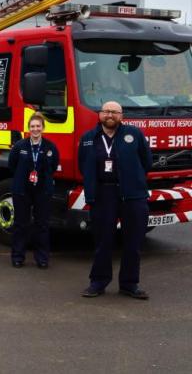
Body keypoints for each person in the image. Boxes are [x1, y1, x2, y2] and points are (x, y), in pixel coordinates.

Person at [79, 101, 152, 300]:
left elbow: (147, 161)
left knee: (133, 241)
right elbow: (82, 164)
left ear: (121, 115)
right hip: (103, 194)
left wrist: (132, 179)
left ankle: (129, 284)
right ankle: (98, 282)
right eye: (106, 111)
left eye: (114, 112)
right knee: (103, 241)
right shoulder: (88, 138)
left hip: (132, 195)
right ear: (100, 114)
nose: (110, 115)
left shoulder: (134, 134)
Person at [8, 112, 59, 268]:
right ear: (28, 129)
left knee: (42, 225)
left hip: (43, 190)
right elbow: (12, 165)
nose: (35, 129)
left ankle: (42, 258)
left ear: (43, 128)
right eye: (32, 126)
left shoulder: (50, 147)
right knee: (20, 223)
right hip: (22, 190)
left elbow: (54, 166)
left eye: (38, 126)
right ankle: (18, 257)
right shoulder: (19, 146)